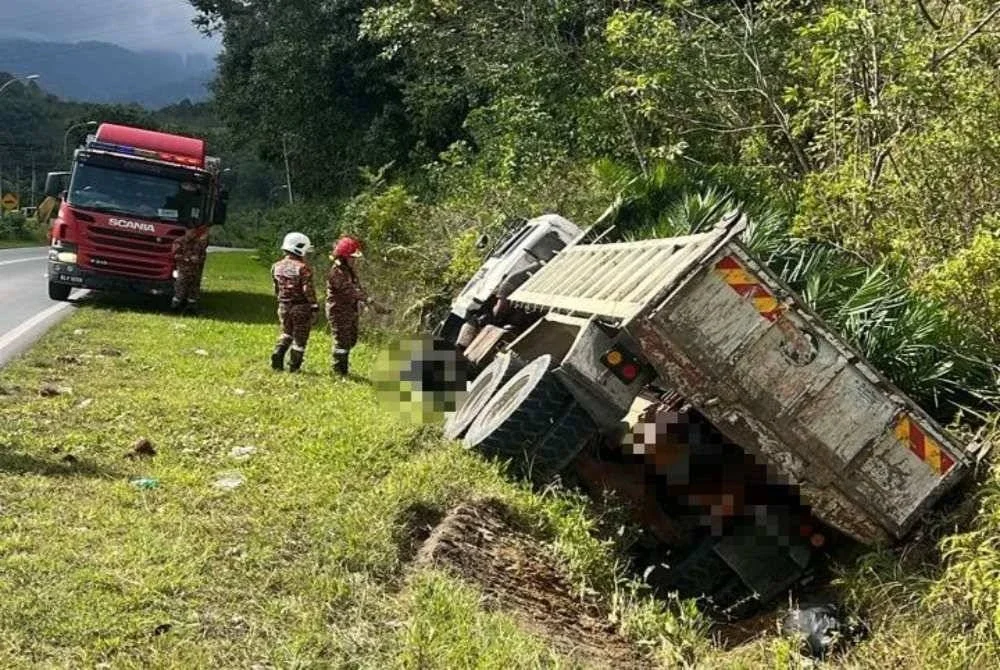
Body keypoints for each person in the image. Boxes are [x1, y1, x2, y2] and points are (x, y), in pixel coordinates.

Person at [270, 232, 319, 372]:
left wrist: (281, 301)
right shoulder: (303, 268)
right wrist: (314, 307)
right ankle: (294, 366)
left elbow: (276, 287)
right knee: (300, 338)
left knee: (286, 332)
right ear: (300, 248)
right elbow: (307, 290)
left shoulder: (276, 266)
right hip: (301, 307)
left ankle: (278, 352)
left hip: (283, 305)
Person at [326, 236, 368, 376]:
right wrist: (371, 301)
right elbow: (350, 290)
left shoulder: (350, 271)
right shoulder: (336, 272)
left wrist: (364, 300)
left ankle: (341, 365)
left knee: (351, 339)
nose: (354, 260)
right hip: (338, 310)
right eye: (352, 257)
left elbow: (358, 288)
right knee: (342, 341)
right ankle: (339, 371)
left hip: (350, 309)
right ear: (343, 257)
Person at [171, 224, 210, 311]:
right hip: (183, 271)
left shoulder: (198, 243)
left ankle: (191, 309)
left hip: (195, 272)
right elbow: (175, 255)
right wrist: (188, 259)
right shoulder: (179, 242)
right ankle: (175, 308)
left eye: (194, 232)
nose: (192, 234)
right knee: (180, 290)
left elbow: (203, 255)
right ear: (186, 231)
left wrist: (198, 260)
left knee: (193, 291)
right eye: (191, 231)